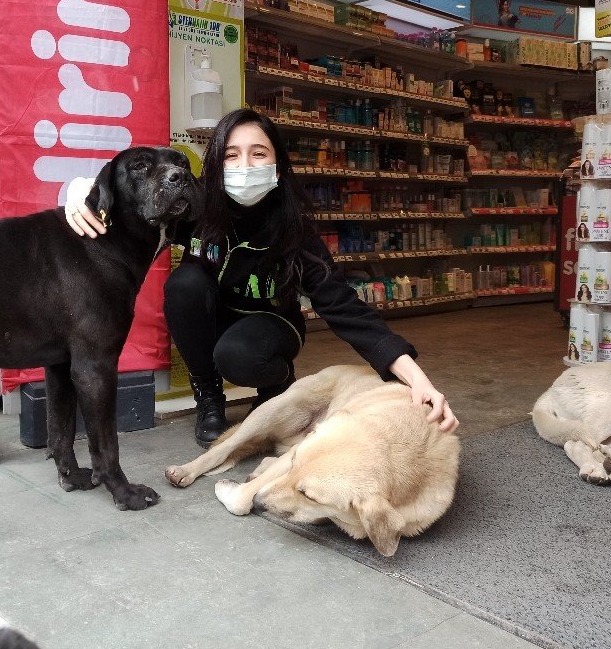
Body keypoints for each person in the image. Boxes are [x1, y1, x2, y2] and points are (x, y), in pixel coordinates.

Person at [65, 108, 458, 447]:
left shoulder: (293, 229)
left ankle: (276, 382)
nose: (245, 166)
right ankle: (209, 398)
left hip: (272, 324)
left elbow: (341, 304)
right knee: (185, 284)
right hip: (217, 319)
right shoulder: (196, 209)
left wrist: (416, 379)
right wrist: (78, 191)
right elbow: (130, 203)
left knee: (239, 356)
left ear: (277, 165)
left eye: (258, 154)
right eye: (232, 156)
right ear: (216, 165)